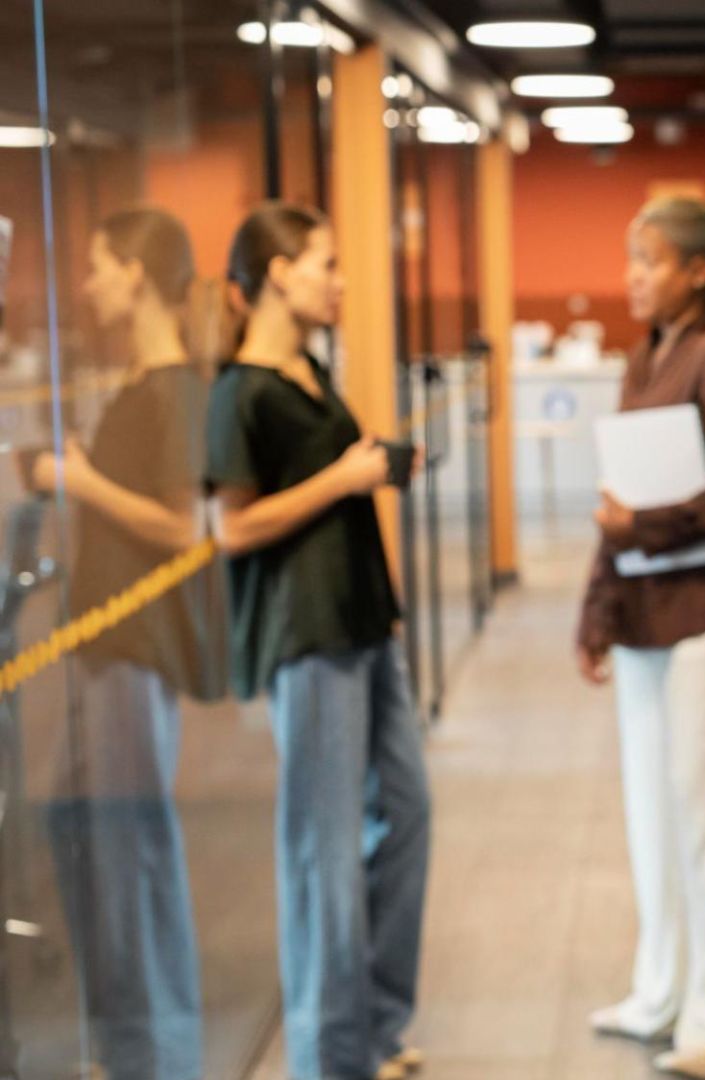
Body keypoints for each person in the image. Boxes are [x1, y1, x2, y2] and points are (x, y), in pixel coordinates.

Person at [205, 203, 429, 1080]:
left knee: (407, 814)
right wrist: (344, 476)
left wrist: (364, 470)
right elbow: (232, 527)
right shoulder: (241, 390)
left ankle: (372, 1026)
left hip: (364, 621)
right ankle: (327, 1057)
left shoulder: (308, 369)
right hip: (307, 636)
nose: (339, 281)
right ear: (275, 276)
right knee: (322, 854)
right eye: (325, 264)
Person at [575, 196, 705, 1080]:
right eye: (630, 259)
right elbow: (616, 506)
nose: (633, 277)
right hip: (647, 621)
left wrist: (648, 525)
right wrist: (598, 610)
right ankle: (662, 991)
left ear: (699, 271)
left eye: (650, 261)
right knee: (652, 816)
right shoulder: (647, 356)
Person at [38, 206, 224, 1080]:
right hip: (105, 650)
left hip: (136, 652)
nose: (87, 285)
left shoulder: (176, 388)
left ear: (138, 275)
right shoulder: (144, 385)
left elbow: (185, 525)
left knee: (135, 856)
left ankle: (161, 1056)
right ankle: (128, 1048)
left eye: (99, 268)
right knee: (89, 839)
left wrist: (77, 479)